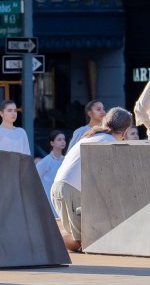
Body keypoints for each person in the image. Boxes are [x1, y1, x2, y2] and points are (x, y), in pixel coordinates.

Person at [51, 107, 132, 252]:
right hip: (72, 191)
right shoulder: (111, 143)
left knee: (82, 239)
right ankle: (48, 239)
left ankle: (51, 238)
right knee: (87, 243)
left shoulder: (91, 136)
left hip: (58, 188)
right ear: (125, 132)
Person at [35, 130, 66, 218]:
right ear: (52, 143)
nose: (63, 142)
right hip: (48, 198)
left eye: (64, 139)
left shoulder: (66, 160)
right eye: (59, 139)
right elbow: (35, 178)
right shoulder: (46, 161)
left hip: (62, 197)